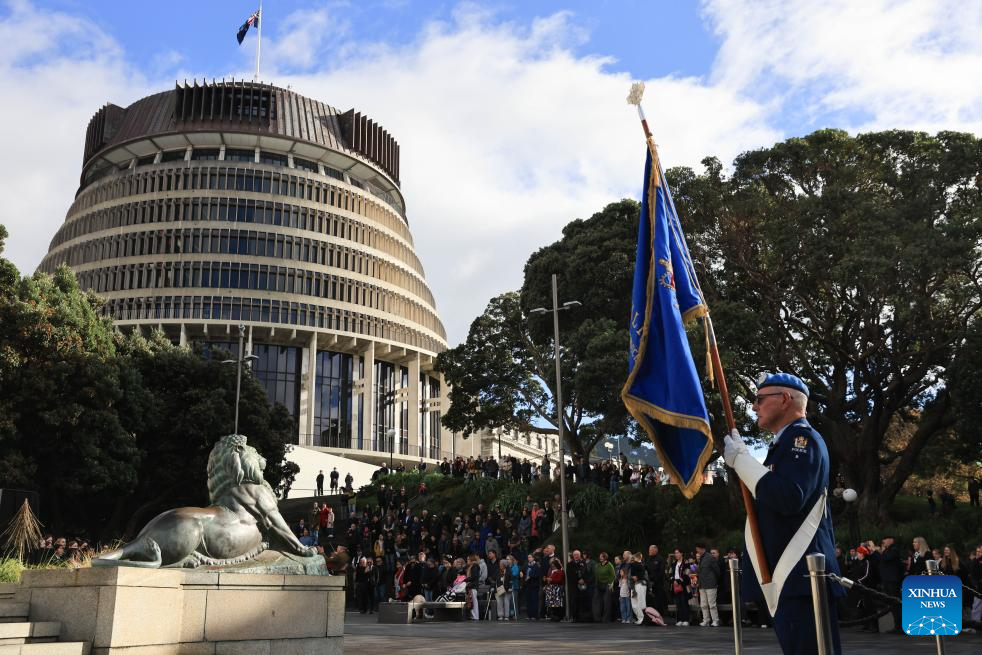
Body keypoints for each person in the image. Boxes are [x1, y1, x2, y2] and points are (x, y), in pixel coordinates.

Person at [724, 372, 844, 654]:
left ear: (785, 399)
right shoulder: (783, 444)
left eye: (760, 399)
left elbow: (789, 497)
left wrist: (742, 461)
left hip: (801, 575)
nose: (754, 406)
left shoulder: (802, 439)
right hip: (791, 578)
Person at [695, 544, 721, 627]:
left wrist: (714, 581)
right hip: (702, 584)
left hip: (710, 584)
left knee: (712, 604)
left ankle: (715, 620)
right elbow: (699, 572)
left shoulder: (709, 557)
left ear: (702, 549)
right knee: (703, 604)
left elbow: (717, 570)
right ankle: (706, 620)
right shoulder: (701, 558)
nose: (697, 551)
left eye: (698, 549)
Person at [670, 548, 691, 626]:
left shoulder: (686, 563)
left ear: (681, 553)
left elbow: (686, 574)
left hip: (683, 585)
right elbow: (670, 574)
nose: (676, 554)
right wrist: (673, 581)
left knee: (684, 602)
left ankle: (686, 620)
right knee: (678, 603)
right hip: (675, 585)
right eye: (675, 553)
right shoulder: (673, 563)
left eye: (677, 553)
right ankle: (679, 619)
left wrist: (679, 582)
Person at [524, 553, 543, 620]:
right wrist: (522, 574)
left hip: (534, 585)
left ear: (533, 558)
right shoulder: (527, 565)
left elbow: (537, 574)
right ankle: (529, 615)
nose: (529, 558)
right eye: (528, 557)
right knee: (528, 600)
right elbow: (524, 571)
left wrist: (530, 576)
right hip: (528, 585)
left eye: (530, 557)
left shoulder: (536, 565)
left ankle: (535, 615)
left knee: (534, 600)